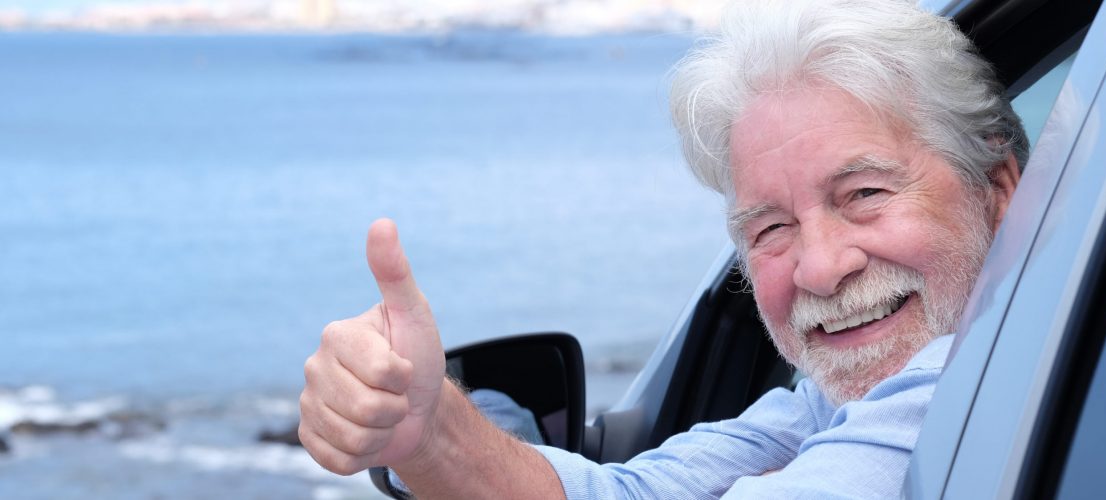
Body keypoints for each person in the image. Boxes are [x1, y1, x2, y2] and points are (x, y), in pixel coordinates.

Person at [298, 0, 1026, 497]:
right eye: (772, 228)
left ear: (998, 189)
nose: (820, 267)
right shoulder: (832, 400)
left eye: (865, 194)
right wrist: (427, 431)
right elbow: (635, 491)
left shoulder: (965, 380)